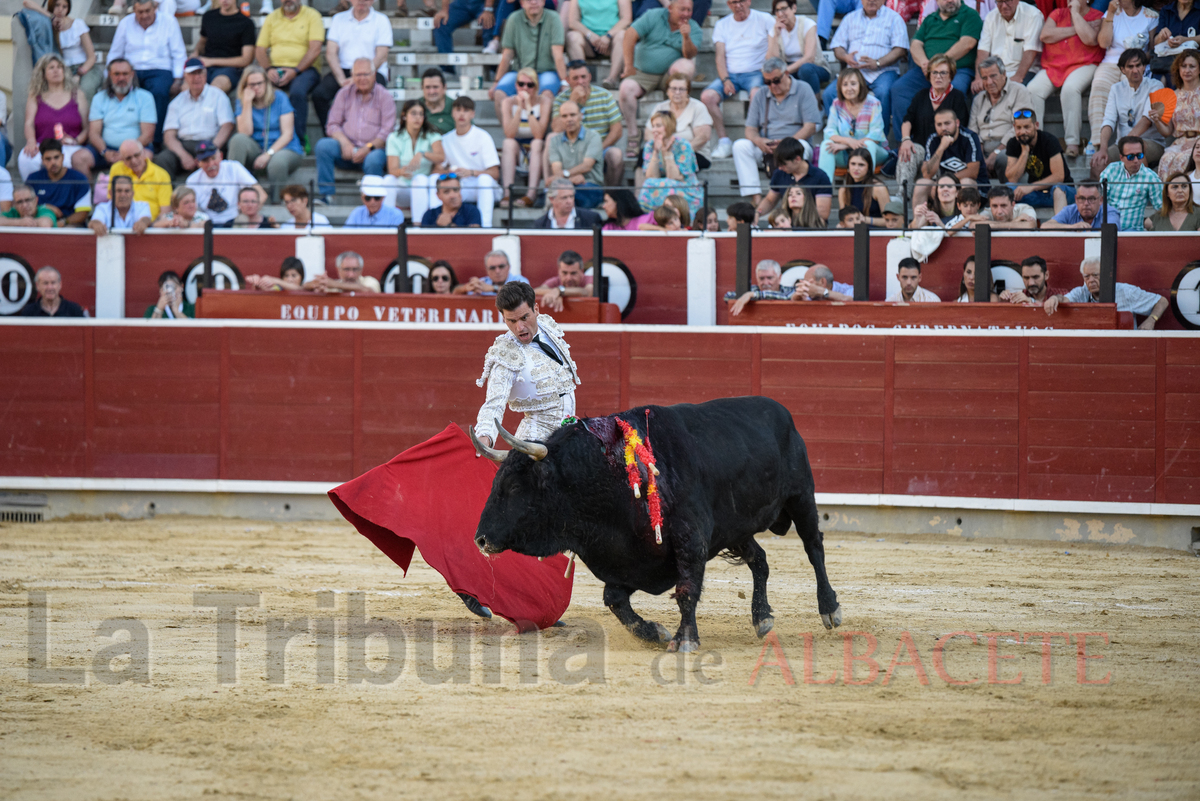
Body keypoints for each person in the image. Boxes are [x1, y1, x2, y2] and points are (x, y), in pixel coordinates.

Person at [472, 281, 580, 450]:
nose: (519, 327)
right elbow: (494, 404)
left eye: (524, 318)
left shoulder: (547, 327)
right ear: (504, 319)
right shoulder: (506, 354)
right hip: (535, 442)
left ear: (536, 310)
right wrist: (485, 437)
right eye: (511, 321)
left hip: (567, 436)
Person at [890, 0, 983, 140]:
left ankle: (952, 142)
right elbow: (915, 44)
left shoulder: (970, 15)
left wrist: (939, 62)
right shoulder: (930, 19)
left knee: (955, 89)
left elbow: (967, 43)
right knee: (899, 88)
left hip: (957, 69)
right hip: (926, 70)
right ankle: (905, 142)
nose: (950, 1)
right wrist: (923, 62)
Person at [734, 58, 822, 205]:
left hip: (794, 144)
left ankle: (794, 194)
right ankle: (755, 197)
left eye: (776, 80)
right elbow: (750, 129)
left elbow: (811, 126)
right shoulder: (761, 94)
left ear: (786, 73)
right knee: (740, 146)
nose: (772, 85)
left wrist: (787, 143)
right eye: (767, 82)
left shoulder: (803, 88)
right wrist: (759, 141)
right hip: (767, 147)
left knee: (802, 146)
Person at [618, 0, 699, 156]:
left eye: (689, 10)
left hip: (669, 76)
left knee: (685, 66)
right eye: (682, 9)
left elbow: (690, 55)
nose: (686, 14)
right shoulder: (653, 16)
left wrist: (686, 37)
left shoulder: (693, 27)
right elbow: (630, 34)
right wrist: (628, 65)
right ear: (670, 8)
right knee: (625, 89)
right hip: (643, 72)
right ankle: (634, 134)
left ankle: (675, 129)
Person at [1027, 0, 1103, 158]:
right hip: (1054, 65)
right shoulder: (1057, 13)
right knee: (1032, 90)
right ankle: (1036, 141)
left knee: (1070, 89)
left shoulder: (1097, 16)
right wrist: (1077, 29)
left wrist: (1075, 13)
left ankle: (1072, 143)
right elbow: (1045, 35)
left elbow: (1090, 39)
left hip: (1085, 63)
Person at [106, 0, 187, 148]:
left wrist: (177, 79)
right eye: (140, 12)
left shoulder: (169, 22)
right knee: (125, 91)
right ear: (134, 11)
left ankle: (154, 142)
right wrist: (110, 74)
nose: (144, 15)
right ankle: (126, 139)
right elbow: (115, 53)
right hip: (131, 69)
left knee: (159, 92)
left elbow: (179, 53)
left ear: (155, 8)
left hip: (160, 68)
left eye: (147, 11)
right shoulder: (126, 23)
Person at [313, 59, 394, 206]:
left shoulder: (385, 96)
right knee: (323, 146)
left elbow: (387, 132)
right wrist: (345, 144)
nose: (361, 78)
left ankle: (372, 201)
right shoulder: (343, 94)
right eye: (358, 75)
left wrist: (367, 148)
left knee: (374, 160)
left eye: (365, 74)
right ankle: (327, 196)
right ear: (352, 76)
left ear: (374, 75)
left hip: (373, 150)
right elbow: (332, 125)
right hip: (346, 150)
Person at [702, 0, 776, 159]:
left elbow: (773, 49)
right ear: (728, 5)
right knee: (707, 97)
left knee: (757, 94)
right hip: (732, 74)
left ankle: (755, 139)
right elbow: (719, 57)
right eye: (733, 2)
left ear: (749, 1)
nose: (738, 5)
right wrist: (725, 79)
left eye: (741, 1)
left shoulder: (765, 19)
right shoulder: (722, 24)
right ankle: (724, 141)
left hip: (756, 72)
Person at [825, 0, 909, 138]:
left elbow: (900, 49)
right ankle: (842, 138)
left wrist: (878, 63)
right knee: (829, 94)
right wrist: (846, 57)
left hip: (883, 71)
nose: (871, 1)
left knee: (883, 91)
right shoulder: (850, 18)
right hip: (854, 71)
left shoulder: (894, 18)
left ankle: (880, 140)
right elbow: (837, 46)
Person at [1086, 0, 1158, 157]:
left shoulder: (1150, 16)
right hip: (1111, 62)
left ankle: (1127, 141)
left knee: (1129, 88)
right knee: (1098, 86)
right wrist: (1110, 14)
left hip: (1136, 64)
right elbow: (1103, 42)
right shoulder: (1111, 12)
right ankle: (1098, 142)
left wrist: (1137, 59)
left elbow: (1153, 50)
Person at [311, 0, 393, 132]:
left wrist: (359, 77)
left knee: (377, 94)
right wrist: (342, 80)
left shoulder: (381, 20)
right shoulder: (338, 19)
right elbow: (331, 53)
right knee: (319, 95)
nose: (361, 1)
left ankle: (370, 135)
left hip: (372, 71)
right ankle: (333, 135)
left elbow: (382, 55)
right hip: (344, 70)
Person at [896, 54, 970, 199]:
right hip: (922, 147)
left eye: (943, 73)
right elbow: (908, 119)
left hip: (946, 148)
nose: (938, 77)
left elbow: (961, 127)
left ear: (951, 76)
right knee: (907, 152)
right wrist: (905, 139)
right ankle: (903, 196)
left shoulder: (957, 97)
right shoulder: (921, 96)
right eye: (935, 73)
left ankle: (934, 197)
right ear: (929, 76)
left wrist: (942, 145)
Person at [421, 96, 502, 228]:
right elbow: (436, 170)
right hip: (458, 186)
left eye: (466, 110)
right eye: (458, 110)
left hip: (479, 185)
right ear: (452, 113)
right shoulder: (446, 139)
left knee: (484, 180)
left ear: (473, 114)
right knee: (434, 179)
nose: (462, 114)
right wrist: (450, 172)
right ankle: (436, 222)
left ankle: (485, 227)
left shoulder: (483, 136)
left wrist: (470, 172)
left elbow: (494, 173)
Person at [225, 65, 303, 198]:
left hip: (283, 148)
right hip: (256, 149)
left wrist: (268, 154)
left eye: (259, 83)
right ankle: (232, 195)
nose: (256, 87)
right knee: (237, 140)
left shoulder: (280, 97)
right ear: (245, 86)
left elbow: (287, 134)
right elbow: (245, 132)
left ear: (267, 83)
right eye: (251, 84)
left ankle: (277, 203)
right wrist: (247, 103)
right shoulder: (242, 101)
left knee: (277, 163)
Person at [255, 0, 324, 150]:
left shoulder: (312, 15)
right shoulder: (272, 17)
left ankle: (299, 140)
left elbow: (315, 49)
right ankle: (258, 141)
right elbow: (260, 49)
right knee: (255, 88)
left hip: (305, 70)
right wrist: (268, 69)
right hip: (275, 69)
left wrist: (296, 71)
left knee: (297, 92)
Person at [1089, 49, 1165, 177]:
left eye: (1138, 65)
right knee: (1098, 164)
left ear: (1144, 67)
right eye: (1130, 66)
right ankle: (1102, 197)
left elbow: (1146, 121)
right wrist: (1103, 149)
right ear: (1122, 69)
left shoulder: (1156, 86)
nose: (1135, 70)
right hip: (1121, 145)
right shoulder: (1116, 89)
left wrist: (1127, 145)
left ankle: (1140, 195)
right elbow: (1108, 121)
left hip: (1151, 143)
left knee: (1137, 151)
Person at [154, 59, 235, 178]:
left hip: (211, 143)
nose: (196, 77)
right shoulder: (177, 102)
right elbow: (169, 135)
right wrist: (183, 155)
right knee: (162, 159)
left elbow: (227, 126)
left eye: (199, 73)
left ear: (205, 74)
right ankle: (169, 195)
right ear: (185, 76)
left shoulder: (218, 96)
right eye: (192, 74)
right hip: (185, 145)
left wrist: (210, 150)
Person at [551, 61, 625, 189]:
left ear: (589, 77)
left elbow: (617, 130)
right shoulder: (561, 100)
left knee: (616, 154)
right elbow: (557, 128)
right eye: (575, 78)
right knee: (550, 140)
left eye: (583, 77)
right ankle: (551, 190)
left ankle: (610, 196)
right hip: (570, 148)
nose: (580, 82)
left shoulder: (604, 96)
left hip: (600, 146)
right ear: (568, 80)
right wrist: (572, 101)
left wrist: (596, 149)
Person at [490, 0, 568, 122]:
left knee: (547, 94)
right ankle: (510, 134)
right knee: (499, 93)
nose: (533, 2)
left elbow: (558, 54)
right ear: (522, 3)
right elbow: (507, 55)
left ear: (543, 2)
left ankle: (539, 135)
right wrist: (496, 81)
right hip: (519, 72)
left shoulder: (553, 18)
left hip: (546, 71)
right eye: (528, 0)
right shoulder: (514, 18)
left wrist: (564, 82)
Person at [18, 54, 90, 181]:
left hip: (70, 147)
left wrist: (76, 141)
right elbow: (29, 123)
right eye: (51, 68)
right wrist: (31, 141)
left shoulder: (77, 94)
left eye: (59, 67)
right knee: (25, 159)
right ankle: (33, 194)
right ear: (43, 73)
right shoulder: (35, 95)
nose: (56, 70)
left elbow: (87, 127)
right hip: (42, 145)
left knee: (67, 162)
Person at [1044, 257, 1169, 329]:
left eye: (1095, 275)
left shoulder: (1126, 291)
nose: (1091, 280)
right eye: (1087, 277)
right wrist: (1054, 298)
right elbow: (1064, 299)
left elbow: (1162, 301)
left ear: (1106, 275)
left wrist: (1151, 320)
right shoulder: (1081, 292)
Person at [20, 0, 102, 100]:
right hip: (63, 69)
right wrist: (51, 17)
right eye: (57, 5)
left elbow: (92, 57)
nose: (60, 10)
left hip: (85, 68)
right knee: (53, 93)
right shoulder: (49, 24)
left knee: (85, 90)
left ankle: (84, 115)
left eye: (64, 7)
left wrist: (78, 74)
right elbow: (27, 2)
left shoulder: (77, 24)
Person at [85, 61, 157, 173]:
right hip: (106, 149)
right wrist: (105, 152)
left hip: (136, 148)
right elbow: (94, 133)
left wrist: (126, 153)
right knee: (79, 158)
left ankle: (137, 191)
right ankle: (88, 190)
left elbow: (148, 136)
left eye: (125, 74)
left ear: (132, 74)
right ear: (109, 75)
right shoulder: (99, 98)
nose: (121, 78)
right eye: (117, 74)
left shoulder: (145, 97)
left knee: (146, 156)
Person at [640, 71, 713, 178]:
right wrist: (659, 149)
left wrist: (679, 151)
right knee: (643, 156)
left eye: (681, 89)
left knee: (678, 161)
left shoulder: (698, 107)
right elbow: (649, 132)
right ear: (667, 91)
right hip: (663, 151)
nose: (677, 92)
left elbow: (703, 138)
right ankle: (641, 192)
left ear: (688, 91)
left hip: (693, 153)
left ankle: (678, 192)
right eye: (673, 89)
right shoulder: (660, 107)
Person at [969, 56, 1034, 176]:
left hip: (1010, 146)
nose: (989, 82)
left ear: (1004, 74)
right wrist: (980, 156)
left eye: (993, 76)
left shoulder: (1019, 91)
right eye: (984, 78)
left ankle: (1010, 193)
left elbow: (1022, 127)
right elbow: (973, 131)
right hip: (982, 151)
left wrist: (997, 152)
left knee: (1005, 158)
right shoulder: (979, 99)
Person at [819, 68, 888, 180]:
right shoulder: (837, 104)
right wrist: (848, 141)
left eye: (853, 84)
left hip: (873, 152)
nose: (849, 88)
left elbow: (875, 136)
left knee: (869, 145)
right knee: (826, 145)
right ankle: (824, 191)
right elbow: (829, 132)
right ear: (840, 88)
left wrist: (846, 144)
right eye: (845, 84)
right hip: (845, 154)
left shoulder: (873, 103)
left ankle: (866, 187)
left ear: (860, 85)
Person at [915, 106, 988, 207]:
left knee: (965, 182)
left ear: (957, 123)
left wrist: (945, 182)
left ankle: (965, 220)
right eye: (939, 124)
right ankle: (919, 221)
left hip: (977, 188)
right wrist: (941, 147)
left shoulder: (970, 137)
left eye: (947, 123)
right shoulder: (933, 139)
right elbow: (927, 174)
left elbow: (973, 172)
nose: (943, 128)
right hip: (944, 186)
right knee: (921, 184)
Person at [500, 68, 553, 206]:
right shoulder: (508, 102)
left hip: (537, 149)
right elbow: (510, 133)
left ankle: (531, 194)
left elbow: (539, 134)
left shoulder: (544, 102)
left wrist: (528, 106)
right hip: (518, 149)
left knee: (536, 143)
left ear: (536, 87)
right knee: (508, 143)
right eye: (521, 84)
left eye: (530, 85)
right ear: (516, 85)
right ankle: (507, 194)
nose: (525, 88)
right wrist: (518, 108)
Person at [382, 100, 445, 212]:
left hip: (424, 187)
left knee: (419, 179)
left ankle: (418, 225)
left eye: (421, 114)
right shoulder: (394, 137)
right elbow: (392, 170)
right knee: (388, 179)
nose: (418, 118)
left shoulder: (432, 135)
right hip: (403, 188)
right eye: (414, 113)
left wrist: (422, 153)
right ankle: (387, 223)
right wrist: (402, 171)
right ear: (404, 116)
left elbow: (441, 157)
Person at [637, 111, 702, 220]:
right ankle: (649, 220)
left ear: (669, 126)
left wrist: (667, 153)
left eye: (658, 126)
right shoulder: (650, 145)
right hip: (664, 185)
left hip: (686, 188)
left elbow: (675, 177)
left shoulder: (683, 145)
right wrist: (656, 153)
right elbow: (651, 177)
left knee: (669, 185)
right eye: (653, 126)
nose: (654, 130)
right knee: (649, 184)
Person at [1005, 108, 1073, 212]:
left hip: (1062, 192)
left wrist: (1032, 187)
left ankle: (1060, 225)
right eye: (1018, 127)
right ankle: (1010, 226)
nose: (1022, 132)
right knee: (1007, 189)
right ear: (1014, 127)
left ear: (1036, 125)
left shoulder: (1049, 140)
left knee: (1058, 188)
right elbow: (1012, 179)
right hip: (1036, 194)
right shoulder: (1013, 143)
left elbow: (1059, 176)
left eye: (1026, 127)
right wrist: (1024, 152)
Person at [750, 136, 832, 222]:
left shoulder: (820, 177)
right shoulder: (779, 173)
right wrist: (757, 213)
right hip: (786, 227)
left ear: (797, 159)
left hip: (812, 228)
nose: (780, 168)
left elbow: (823, 214)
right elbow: (770, 200)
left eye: (783, 164)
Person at [187, 141, 267, 226]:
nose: (211, 164)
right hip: (207, 226)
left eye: (213, 158)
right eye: (205, 160)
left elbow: (262, 194)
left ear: (221, 156)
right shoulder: (192, 180)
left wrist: (248, 215)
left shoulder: (234, 168)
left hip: (235, 223)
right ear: (198, 163)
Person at [972, 0, 1044, 92]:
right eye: (1000, 2)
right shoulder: (991, 17)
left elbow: (1030, 51)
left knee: (1014, 93)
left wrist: (1018, 77)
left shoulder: (1033, 15)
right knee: (978, 92)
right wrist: (979, 77)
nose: (1004, 6)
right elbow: (983, 51)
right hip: (995, 71)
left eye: (1007, 1)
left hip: (1024, 71)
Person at [765, 0, 829, 102]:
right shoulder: (775, 29)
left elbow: (809, 58)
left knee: (805, 69)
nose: (780, 14)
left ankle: (816, 105)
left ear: (794, 8)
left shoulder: (808, 24)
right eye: (777, 11)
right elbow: (772, 60)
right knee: (772, 77)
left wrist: (785, 71)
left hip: (815, 67)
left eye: (784, 9)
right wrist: (775, 36)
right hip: (790, 69)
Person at [547, 101, 605, 208]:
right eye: (564, 116)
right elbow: (556, 170)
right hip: (565, 187)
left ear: (581, 116)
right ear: (560, 119)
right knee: (553, 196)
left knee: (572, 198)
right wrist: (570, 181)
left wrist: (565, 176)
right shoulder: (555, 141)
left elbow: (587, 166)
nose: (569, 119)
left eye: (572, 115)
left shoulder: (593, 136)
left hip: (589, 185)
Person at [1152, 52, 1200, 179]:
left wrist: (1196, 144)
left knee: (1184, 159)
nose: (1187, 70)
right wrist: (1157, 121)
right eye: (1183, 66)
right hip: (1181, 141)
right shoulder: (1173, 95)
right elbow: (1168, 131)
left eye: (1192, 66)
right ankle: (1168, 198)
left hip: (1199, 142)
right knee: (1165, 160)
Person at [565, 0, 632, 91]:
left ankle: (611, 79)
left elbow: (626, 19)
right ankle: (582, 79)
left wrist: (608, 35)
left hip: (611, 41)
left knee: (623, 35)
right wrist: (589, 34)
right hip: (588, 41)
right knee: (572, 36)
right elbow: (573, 22)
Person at [1099, 135, 1163, 230]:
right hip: (1107, 229)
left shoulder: (1151, 177)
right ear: (1121, 157)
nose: (1136, 161)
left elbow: (1162, 208)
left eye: (1139, 155)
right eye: (1131, 157)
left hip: (1133, 232)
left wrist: (1150, 221)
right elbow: (1100, 201)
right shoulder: (1111, 170)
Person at [195, 0, 257, 93]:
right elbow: (202, 41)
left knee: (215, 90)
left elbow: (246, 60)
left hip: (231, 69)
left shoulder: (246, 23)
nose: (224, 0)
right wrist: (195, 54)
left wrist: (211, 61)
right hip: (205, 65)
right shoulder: (208, 17)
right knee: (187, 87)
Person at [26, 139, 91, 227]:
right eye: (48, 159)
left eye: (56, 157)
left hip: (70, 225)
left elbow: (83, 213)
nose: (53, 162)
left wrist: (63, 222)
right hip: (40, 224)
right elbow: (23, 206)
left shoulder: (79, 179)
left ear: (63, 157)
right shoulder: (33, 179)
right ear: (42, 160)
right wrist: (45, 207)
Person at [108, 139, 172, 220]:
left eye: (137, 155)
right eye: (128, 158)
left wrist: (153, 227)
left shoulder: (161, 174)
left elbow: (165, 211)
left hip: (151, 228)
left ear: (144, 152)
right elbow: (112, 200)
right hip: (123, 225)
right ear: (122, 160)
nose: (134, 161)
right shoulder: (116, 169)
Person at [1150, 0, 1200, 86]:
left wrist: (1185, 40)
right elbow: (1156, 42)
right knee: (1158, 82)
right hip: (1167, 61)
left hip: (1192, 60)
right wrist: (1162, 36)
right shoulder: (1166, 10)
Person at [839, 148, 890, 224]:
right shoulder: (843, 190)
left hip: (875, 232)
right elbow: (843, 220)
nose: (856, 168)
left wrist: (865, 220)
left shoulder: (878, 188)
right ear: (848, 166)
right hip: (852, 232)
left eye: (861, 165)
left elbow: (889, 221)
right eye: (853, 164)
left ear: (868, 168)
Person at [88, 174, 152, 234]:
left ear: (133, 193)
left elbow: (146, 218)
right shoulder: (102, 207)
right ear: (111, 193)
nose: (123, 195)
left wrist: (143, 223)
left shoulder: (142, 206)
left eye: (127, 191)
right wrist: (96, 224)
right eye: (119, 191)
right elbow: (95, 221)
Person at [725, 259, 793, 315]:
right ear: (757, 278)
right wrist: (742, 297)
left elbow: (786, 296)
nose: (765, 283)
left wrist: (752, 295)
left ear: (779, 278)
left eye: (770, 278)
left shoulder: (788, 291)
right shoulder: (752, 289)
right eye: (761, 278)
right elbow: (727, 296)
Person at [1042, 181, 1121, 228]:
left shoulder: (1110, 213)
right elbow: (1045, 226)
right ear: (1076, 199)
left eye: (1091, 199)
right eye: (1082, 199)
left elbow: (1111, 232)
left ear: (1101, 200)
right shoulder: (1070, 210)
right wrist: (1071, 227)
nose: (1086, 203)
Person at [18, 266, 86, 317]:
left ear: (60, 285)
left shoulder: (74, 310)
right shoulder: (29, 312)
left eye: (53, 283)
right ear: (37, 286)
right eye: (45, 283)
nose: (50, 287)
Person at [999, 254, 1068, 304]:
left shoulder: (1062, 294)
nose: (1031, 283)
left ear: (1046, 275)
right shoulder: (1018, 297)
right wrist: (1003, 301)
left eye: (1035, 277)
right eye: (1026, 278)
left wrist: (1032, 302)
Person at [456, 250, 532, 294]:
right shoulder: (482, 282)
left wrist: (493, 288)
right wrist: (467, 287)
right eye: (492, 268)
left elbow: (523, 293)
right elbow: (454, 291)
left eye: (501, 266)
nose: (497, 271)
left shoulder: (520, 280)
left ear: (509, 267)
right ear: (487, 270)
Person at [535, 177, 603, 227]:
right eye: (564, 198)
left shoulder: (591, 218)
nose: (569, 201)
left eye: (571, 196)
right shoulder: (540, 223)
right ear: (552, 199)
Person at [303, 250, 382, 293]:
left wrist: (334, 284)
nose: (351, 275)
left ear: (361, 269)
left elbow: (367, 291)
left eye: (355, 269)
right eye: (346, 269)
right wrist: (317, 284)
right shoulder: (332, 285)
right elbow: (304, 286)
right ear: (338, 270)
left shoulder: (370, 281)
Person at [419, 69, 455, 135]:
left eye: (435, 87)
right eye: (427, 87)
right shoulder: (415, 107)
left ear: (444, 87)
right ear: (422, 88)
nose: (432, 91)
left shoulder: (456, 107)